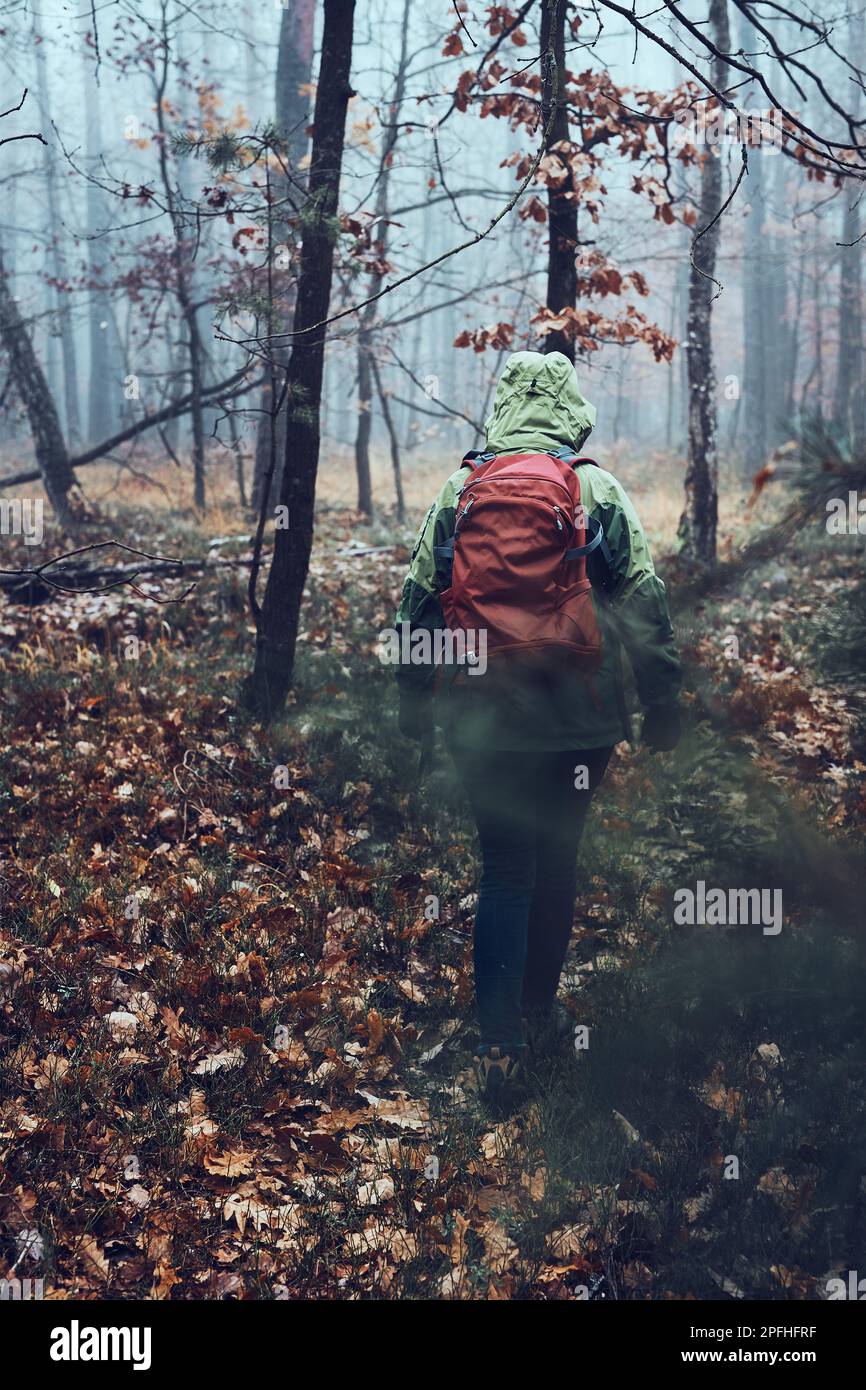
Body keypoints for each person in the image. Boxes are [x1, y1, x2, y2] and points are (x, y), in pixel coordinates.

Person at [394, 350, 681, 1100]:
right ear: (570, 407)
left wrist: (412, 705)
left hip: (481, 718)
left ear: (501, 406)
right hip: (577, 723)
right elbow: (644, 602)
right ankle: (538, 1015)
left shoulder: (462, 489)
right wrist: (663, 703)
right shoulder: (597, 489)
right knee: (555, 865)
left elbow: (419, 602)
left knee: (505, 870)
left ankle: (499, 1046)